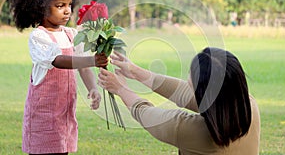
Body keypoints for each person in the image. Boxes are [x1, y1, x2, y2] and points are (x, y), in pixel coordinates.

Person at [10, 0, 108, 155]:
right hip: (44, 114)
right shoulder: (39, 36)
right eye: (59, 5)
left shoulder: (70, 34)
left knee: (62, 149)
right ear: (41, 7)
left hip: (65, 112)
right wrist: (93, 60)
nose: (67, 10)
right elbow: (58, 61)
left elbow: (83, 65)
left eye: (69, 5)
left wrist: (92, 88)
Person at [98, 48, 260, 154]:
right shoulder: (250, 107)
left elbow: (147, 114)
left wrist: (121, 89)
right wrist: (136, 72)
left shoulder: (192, 130)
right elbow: (184, 94)